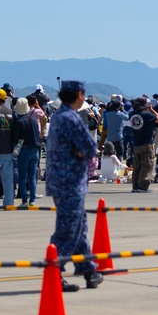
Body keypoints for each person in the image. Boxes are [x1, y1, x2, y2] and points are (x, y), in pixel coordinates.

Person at [47, 80, 105, 292]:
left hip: (62, 180)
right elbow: (90, 147)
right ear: (79, 95)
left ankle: (88, 270)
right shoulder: (71, 118)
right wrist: (80, 151)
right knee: (68, 229)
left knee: (78, 225)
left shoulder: (58, 116)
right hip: (70, 181)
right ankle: (54, 271)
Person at [11, 97, 42, 208]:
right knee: (32, 176)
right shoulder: (33, 120)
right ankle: (32, 200)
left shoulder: (19, 122)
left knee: (22, 177)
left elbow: (14, 139)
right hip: (35, 150)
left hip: (24, 150)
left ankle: (24, 200)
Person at [130, 96, 158, 192]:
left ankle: (135, 185)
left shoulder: (132, 114)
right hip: (147, 142)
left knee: (137, 166)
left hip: (136, 142)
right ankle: (143, 185)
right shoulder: (148, 115)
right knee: (147, 164)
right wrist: (152, 109)